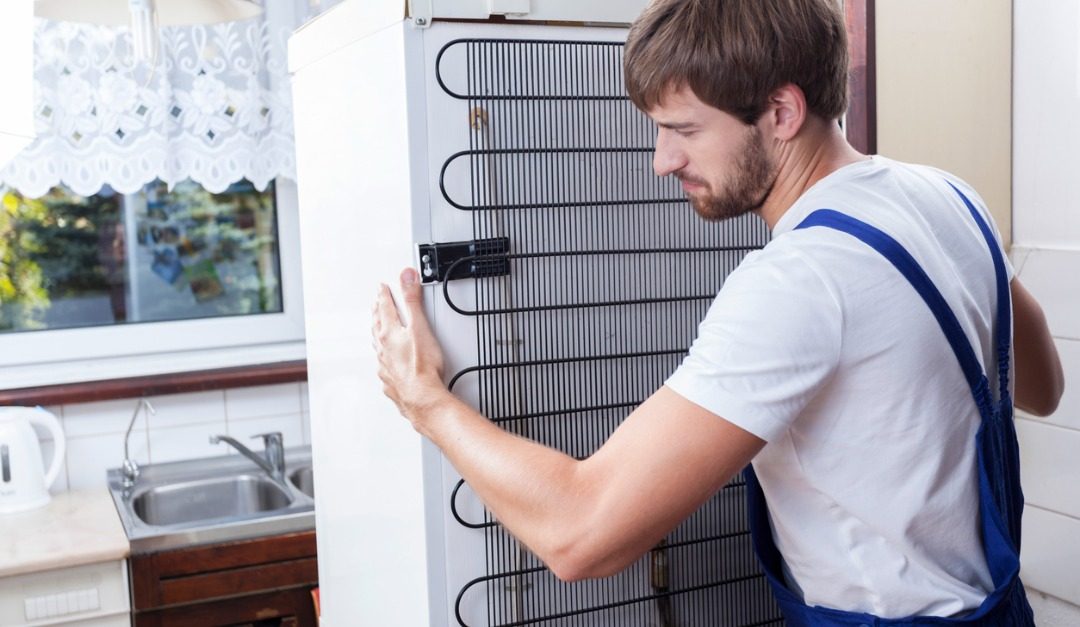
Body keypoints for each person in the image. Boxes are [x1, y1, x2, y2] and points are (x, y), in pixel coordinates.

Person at [371, 0, 1064, 623]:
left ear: (782, 112)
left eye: (685, 130)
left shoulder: (798, 280)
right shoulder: (948, 197)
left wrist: (425, 400)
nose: (661, 160)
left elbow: (580, 534)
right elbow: (1041, 386)